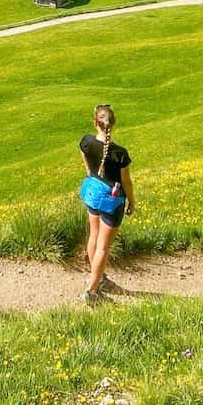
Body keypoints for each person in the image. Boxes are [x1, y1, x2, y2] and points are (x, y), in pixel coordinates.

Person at [79, 103, 134, 304]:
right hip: (113, 200)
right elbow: (126, 182)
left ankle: (97, 277)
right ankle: (92, 292)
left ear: (96, 123)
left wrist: (90, 173)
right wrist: (132, 202)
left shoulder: (86, 142)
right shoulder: (120, 154)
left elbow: (84, 156)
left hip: (93, 194)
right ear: (113, 123)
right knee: (103, 246)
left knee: (93, 237)